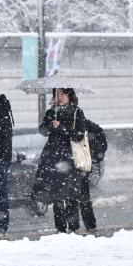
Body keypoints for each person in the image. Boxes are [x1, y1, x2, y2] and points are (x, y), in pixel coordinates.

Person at [32, 88, 87, 233]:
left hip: (69, 158)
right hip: (52, 158)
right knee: (56, 195)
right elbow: (43, 131)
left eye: (62, 94)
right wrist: (50, 124)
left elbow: (78, 135)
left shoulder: (77, 112)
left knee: (71, 195)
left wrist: (61, 127)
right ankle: (60, 228)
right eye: (56, 94)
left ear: (70, 96)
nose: (59, 97)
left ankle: (73, 227)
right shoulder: (51, 112)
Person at [76, 118, 107, 234]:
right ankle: (84, 224)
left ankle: (86, 224)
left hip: (81, 163)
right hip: (77, 163)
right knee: (80, 197)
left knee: (82, 196)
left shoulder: (81, 122)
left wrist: (96, 155)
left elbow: (98, 133)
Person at [0, 94, 14, 237]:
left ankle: (1, 227)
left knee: (0, 192)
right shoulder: (0, 107)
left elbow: (4, 134)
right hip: (0, 156)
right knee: (1, 192)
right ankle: (1, 227)